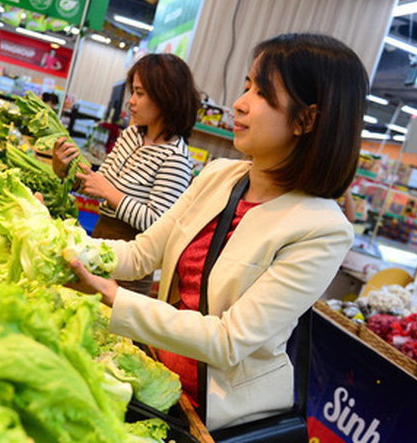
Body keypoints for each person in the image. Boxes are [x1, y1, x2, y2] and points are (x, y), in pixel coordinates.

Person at [64, 33, 368, 430]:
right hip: (156, 372)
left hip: (215, 414)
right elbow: (141, 254)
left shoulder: (321, 229)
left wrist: (113, 297)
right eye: (246, 86)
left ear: (305, 119)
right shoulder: (219, 175)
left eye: (262, 93)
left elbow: (228, 340)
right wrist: (59, 240)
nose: (240, 103)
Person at [52, 53, 200, 295]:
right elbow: (98, 185)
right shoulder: (131, 135)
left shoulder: (176, 157)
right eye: (133, 92)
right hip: (99, 244)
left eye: (140, 93)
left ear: (166, 97)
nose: (131, 101)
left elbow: (156, 222)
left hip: (130, 271)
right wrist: (63, 170)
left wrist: (109, 193)